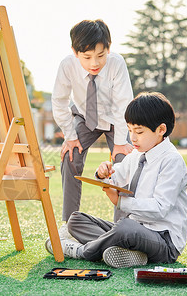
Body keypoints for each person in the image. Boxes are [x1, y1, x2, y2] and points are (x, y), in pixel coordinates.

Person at [46, 92, 187, 268]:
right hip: (136, 232)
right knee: (75, 220)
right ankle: (132, 253)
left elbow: (160, 208)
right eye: (129, 130)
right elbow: (117, 175)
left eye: (139, 132)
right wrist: (103, 173)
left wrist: (121, 202)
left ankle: (82, 251)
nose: (133, 138)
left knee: (125, 228)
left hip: (163, 241)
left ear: (161, 130)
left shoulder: (172, 161)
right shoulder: (137, 154)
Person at [51, 19, 134, 225]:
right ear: (75, 51)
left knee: (125, 160)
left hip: (116, 119)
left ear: (109, 48)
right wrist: (70, 137)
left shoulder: (117, 63)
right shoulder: (67, 66)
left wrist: (121, 142)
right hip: (84, 117)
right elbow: (59, 102)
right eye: (87, 57)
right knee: (70, 157)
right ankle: (70, 223)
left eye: (100, 56)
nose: (94, 63)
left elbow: (124, 103)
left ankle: (122, 225)